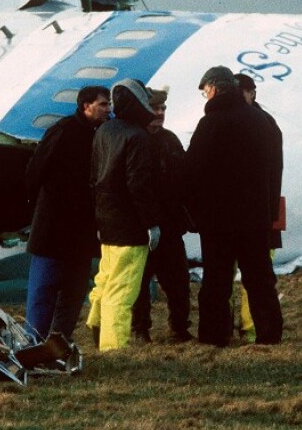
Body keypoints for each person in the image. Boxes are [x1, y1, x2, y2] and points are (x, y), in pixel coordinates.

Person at [186, 66, 282, 346]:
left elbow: (193, 168)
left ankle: (214, 336)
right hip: (256, 217)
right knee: (260, 278)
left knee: (217, 280)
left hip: (218, 220)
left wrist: (193, 209)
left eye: (205, 91)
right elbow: (275, 169)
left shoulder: (211, 123)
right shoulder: (263, 121)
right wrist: (269, 211)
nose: (206, 97)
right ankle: (269, 334)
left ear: (214, 89)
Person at [23, 85, 110, 347]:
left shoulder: (100, 134)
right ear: (86, 106)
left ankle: (58, 344)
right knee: (44, 288)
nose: (108, 109)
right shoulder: (63, 131)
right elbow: (35, 171)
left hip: (81, 229)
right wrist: (43, 206)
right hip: (54, 225)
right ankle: (33, 344)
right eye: (103, 104)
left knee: (74, 291)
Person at [85, 79, 161, 351]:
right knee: (123, 287)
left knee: (105, 279)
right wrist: (151, 223)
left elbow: (94, 178)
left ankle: (96, 324)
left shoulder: (104, 130)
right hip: (130, 227)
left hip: (107, 222)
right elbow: (138, 185)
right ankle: (113, 347)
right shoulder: (138, 136)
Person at [130, 87, 194, 343]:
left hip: (169, 224)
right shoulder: (134, 138)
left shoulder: (170, 140)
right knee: (139, 282)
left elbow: (184, 176)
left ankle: (179, 327)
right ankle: (140, 329)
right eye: (155, 108)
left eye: (163, 108)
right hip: (140, 225)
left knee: (178, 280)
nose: (160, 113)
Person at [234, 73, 284, 343]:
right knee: (255, 274)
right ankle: (251, 326)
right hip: (259, 211)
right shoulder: (264, 123)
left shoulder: (263, 124)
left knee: (257, 274)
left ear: (251, 93)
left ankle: (252, 327)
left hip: (259, 213)